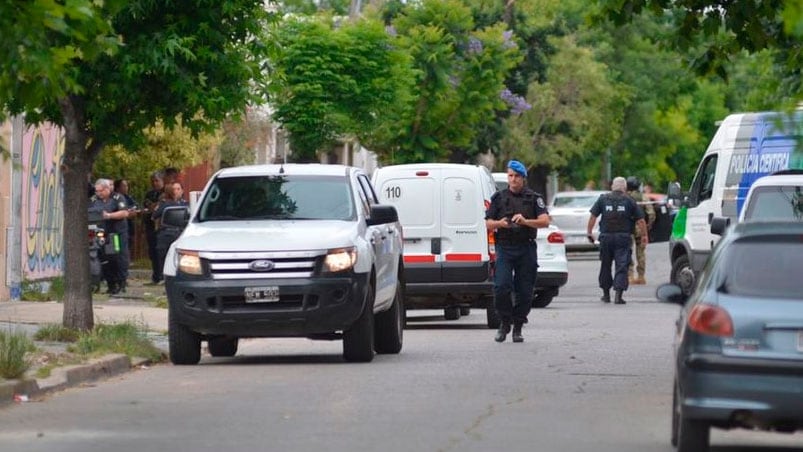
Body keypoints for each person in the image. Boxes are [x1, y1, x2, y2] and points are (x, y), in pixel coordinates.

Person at [485, 160, 551, 343]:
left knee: (525, 290)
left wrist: (525, 221)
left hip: (526, 247)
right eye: (510, 176)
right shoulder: (498, 197)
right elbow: (487, 223)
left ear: (523, 178)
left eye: (516, 176)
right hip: (505, 247)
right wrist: (500, 224)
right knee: (501, 286)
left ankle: (518, 326)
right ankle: (505, 322)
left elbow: (545, 221)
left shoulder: (533, 198)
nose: (513, 180)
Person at [586, 177, 648, 305]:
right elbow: (641, 220)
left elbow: (593, 216)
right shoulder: (629, 201)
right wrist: (644, 236)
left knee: (605, 265)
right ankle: (618, 296)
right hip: (623, 238)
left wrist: (589, 232)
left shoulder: (603, 199)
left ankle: (606, 295)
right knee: (622, 265)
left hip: (606, 237)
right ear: (624, 188)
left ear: (612, 187)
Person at [89, 178, 129, 295]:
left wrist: (109, 215)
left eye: (100, 191)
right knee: (104, 258)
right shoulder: (94, 199)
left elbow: (124, 212)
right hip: (102, 233)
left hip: (116, 233)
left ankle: (121, 283)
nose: (98, 193)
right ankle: (110, 284)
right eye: (96, 191)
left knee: (118, 257)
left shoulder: (117, 198)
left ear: (107, 189)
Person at [152, 181, 188, 282]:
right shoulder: (165, 204)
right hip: (166, 233)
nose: (176, 192)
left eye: (178, 189)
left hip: (181, 233)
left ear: (182, 191)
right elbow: (154, 216)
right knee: (162, 254)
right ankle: (164, 277)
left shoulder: (187, 204)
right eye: (173, 189)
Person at [626, 176, 655, 285]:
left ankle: (630, 276)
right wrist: (647, 226)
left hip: (627, 229)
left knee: (628, 251)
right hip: (640, 228)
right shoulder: (643, 197)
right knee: (641, 253)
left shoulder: (625, 197)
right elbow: (651, 214)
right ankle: (641, 276)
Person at [114, 179, 139, 291]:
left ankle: (122, 280)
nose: (126, 188)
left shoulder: (128, 198)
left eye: (127, 186)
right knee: (116, 253)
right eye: (124, 186)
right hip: (115, 230)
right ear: (118, 187)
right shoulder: (114, 198)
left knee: (124, 254)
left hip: (126, 229)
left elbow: (134, 208)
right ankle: (115, 280)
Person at [142, 171, 164, 284]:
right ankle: (156, 276)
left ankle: (162, 276)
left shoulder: (166, 192)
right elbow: (148, 206)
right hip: (150, 225)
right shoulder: (149, 194)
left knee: (161, 251)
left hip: (162, 226)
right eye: (153, 181)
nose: (155, 183)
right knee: (152, 251)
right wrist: (156, 205)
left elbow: (160, 206)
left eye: (157, 181)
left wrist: (156, 206)